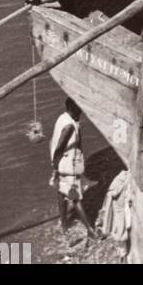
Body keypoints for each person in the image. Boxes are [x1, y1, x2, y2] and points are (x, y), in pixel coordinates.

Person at [50, 98, 92, 239]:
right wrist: (57, 165)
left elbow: (54, 142)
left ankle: (64, 225)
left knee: (61, 194)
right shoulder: (69, 126)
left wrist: (54, 165)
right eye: (79, 109)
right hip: (67, 166)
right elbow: (60, 146)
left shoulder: (62, 118)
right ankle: (90, 230)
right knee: (76, 198)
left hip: (60, 164)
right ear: (73, 109)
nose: (81, 112)